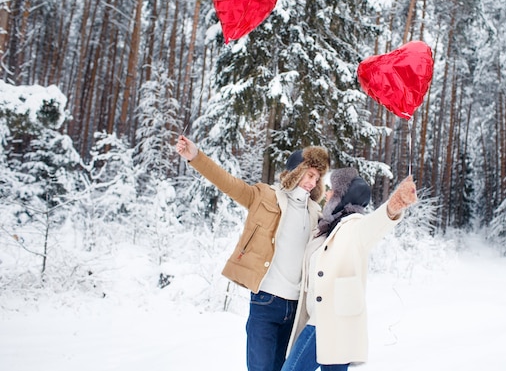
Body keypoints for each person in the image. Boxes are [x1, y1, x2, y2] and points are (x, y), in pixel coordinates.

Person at [175, 135, 330, 371]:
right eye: (310, 175)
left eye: (317, 178)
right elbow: (227, 182)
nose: (313, 182)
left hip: (296, 308)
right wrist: (195, 157)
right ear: (296, 171)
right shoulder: (264, 196)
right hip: (266, 302)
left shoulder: (314, 211)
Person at [280, 167, 418, 371]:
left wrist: (393, 206)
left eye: (333, 191)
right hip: (322, 321)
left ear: (344, 198)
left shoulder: (354, 227)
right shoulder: (325, 228)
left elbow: (374, 225)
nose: (327, 194)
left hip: (328, 322)